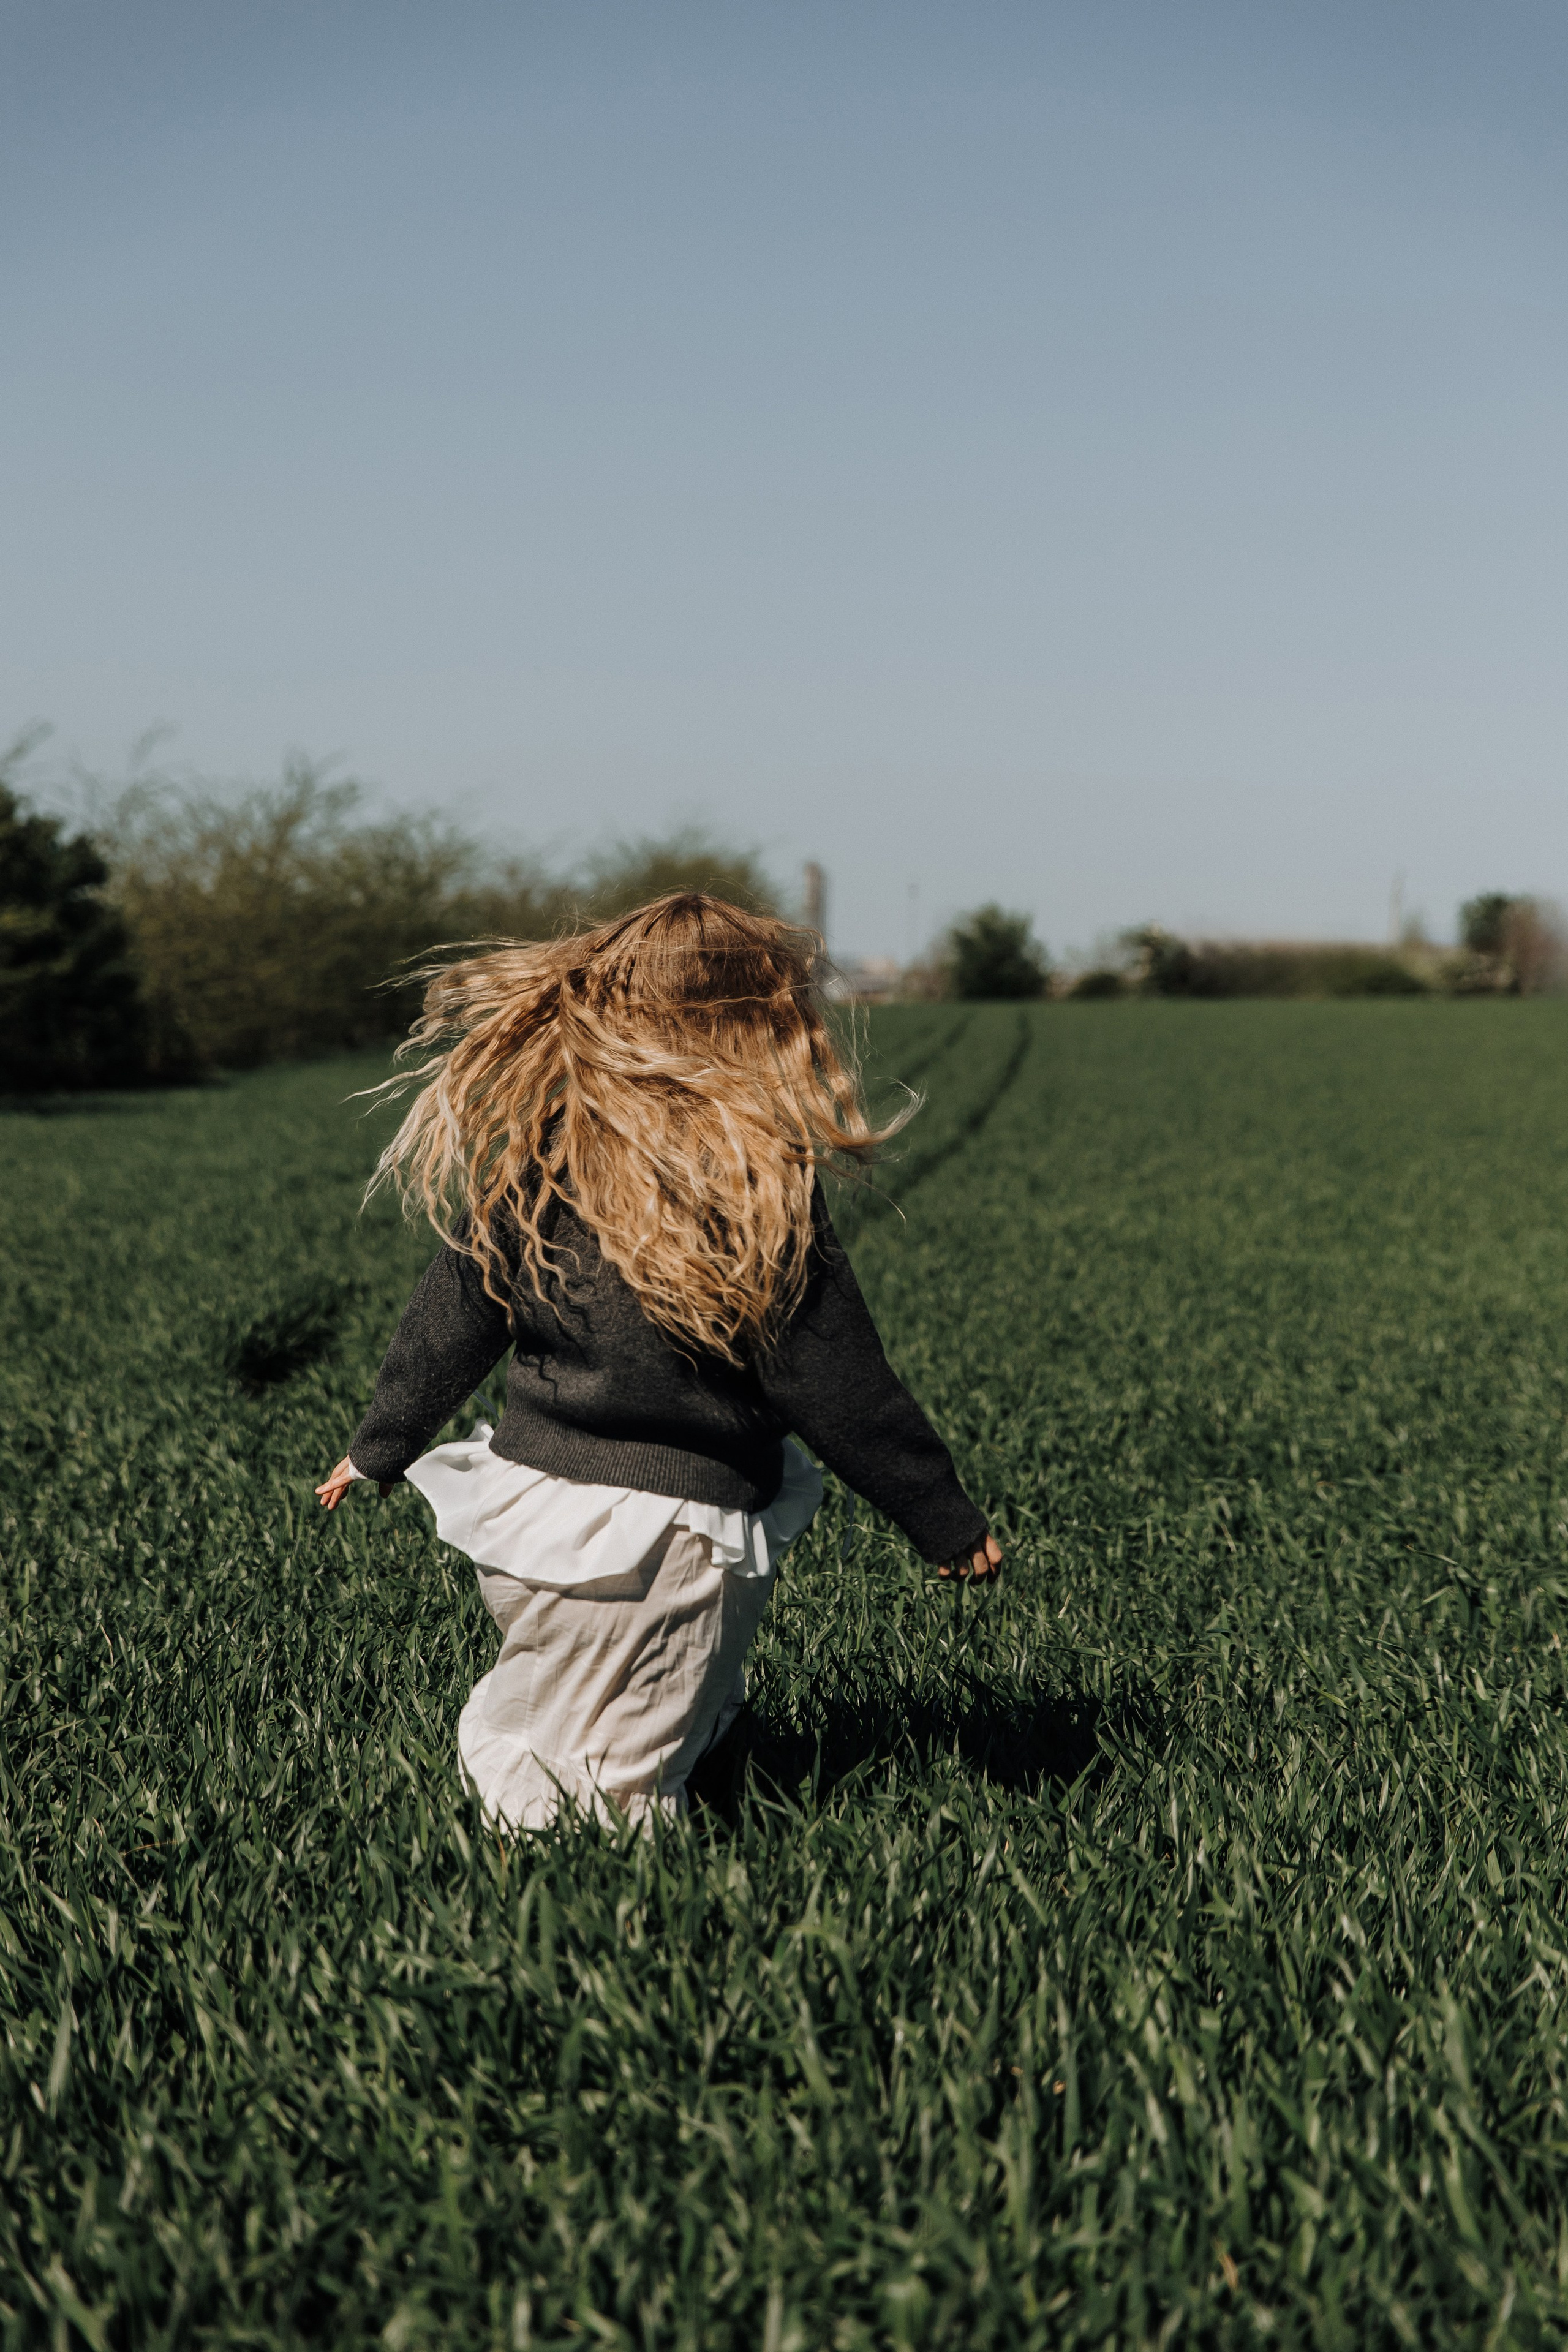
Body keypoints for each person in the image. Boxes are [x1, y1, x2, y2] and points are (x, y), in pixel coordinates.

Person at [317, 893, 1000, 1829]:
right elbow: (836, 1379)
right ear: (761, 1030)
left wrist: (381, 1444)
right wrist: (941, 1516)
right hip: (662, 1543)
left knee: (614, 1711)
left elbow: (453, 1311)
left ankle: (633, 1815)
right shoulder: (759, 1194)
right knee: (610, 1788)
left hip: (527, 1519)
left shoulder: (543, 1161)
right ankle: (590, 1929)